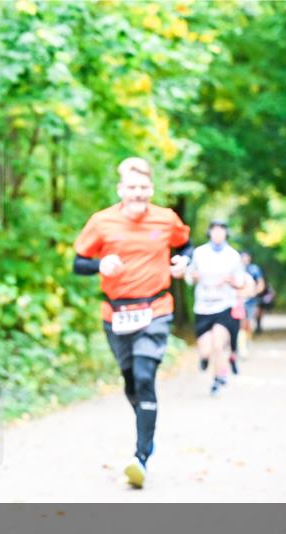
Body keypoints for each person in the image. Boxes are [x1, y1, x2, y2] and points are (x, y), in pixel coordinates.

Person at [73, 157, 192, 489]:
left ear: (151, 189)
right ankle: (147, 428)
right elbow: (78, 263)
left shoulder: (167, 219)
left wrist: (184, 261)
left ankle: (140, 456)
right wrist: (100, 265)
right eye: (132, 188)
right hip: (116, 315)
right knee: (130, 383)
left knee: (144, 376)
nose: (139, 194)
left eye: (144, 188)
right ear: (121, 189)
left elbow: (186, 246)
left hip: (155, 308)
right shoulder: (102, 222)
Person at [185, 220, 248, 397]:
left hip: (224, 305)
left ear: (226, 233)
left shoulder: (233, 256)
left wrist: (229, 281)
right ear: (210, 233)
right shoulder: (199, 253)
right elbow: (189, 275)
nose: (218, 234)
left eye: (221, 231)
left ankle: (217, 379)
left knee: (218, 344)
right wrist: (194, 277)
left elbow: (241, 282)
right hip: (203, 306)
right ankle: (204, 360)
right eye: (214, 231)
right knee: (206, 349)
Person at [238, 250, 265, 355]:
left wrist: (253, 292)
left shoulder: (254, 269)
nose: (244, 259)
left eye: (246, 257)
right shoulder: (236, 269)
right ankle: (241, 346)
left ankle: (247, 340)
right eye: (242, 257)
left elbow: (261, 284)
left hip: (251, 301)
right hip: (239, 301)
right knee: (241, 323)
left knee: (248, 324)